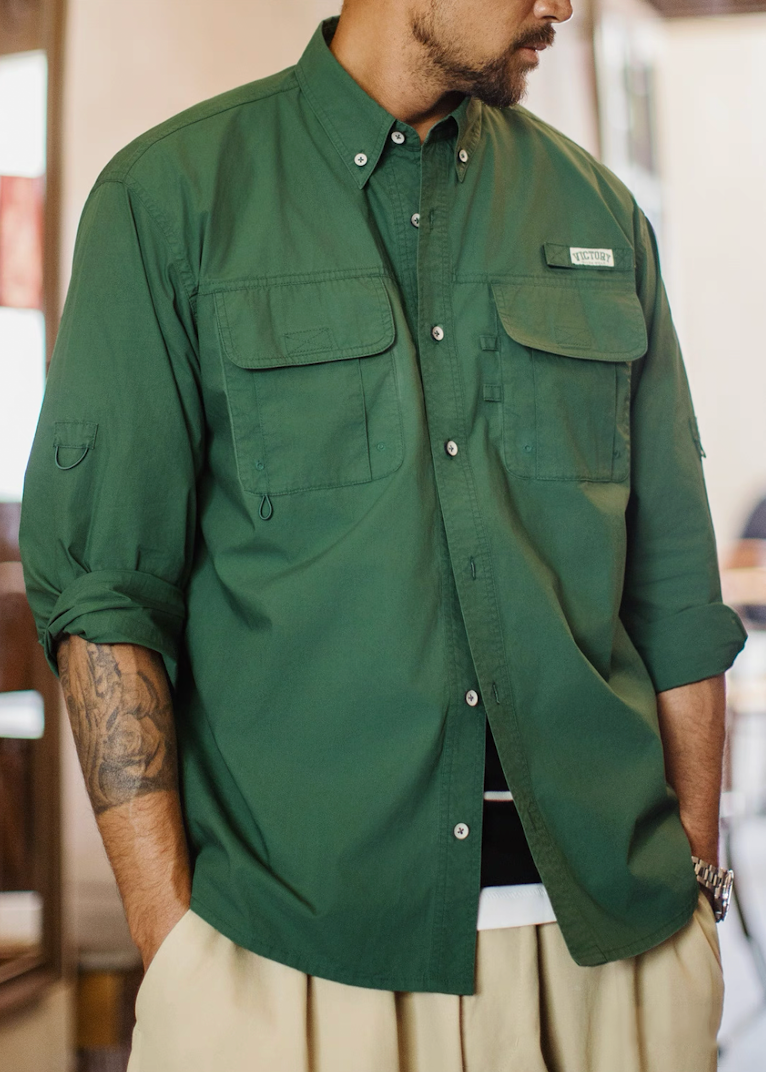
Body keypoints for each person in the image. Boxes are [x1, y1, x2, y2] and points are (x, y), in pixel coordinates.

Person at [20, 2, 746, 1070]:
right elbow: (105, 595)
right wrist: (169, 937)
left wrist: (693, 883)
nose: (563, 4)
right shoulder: (167, 198)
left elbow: (676, 596)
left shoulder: (599, 212)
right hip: (289, 959)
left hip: (609, 953)